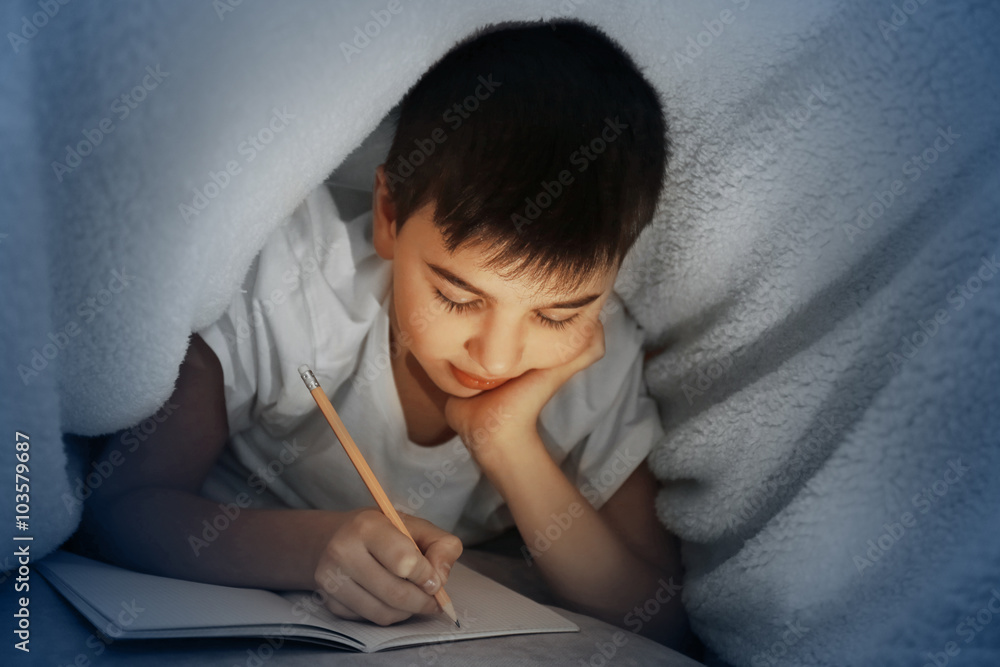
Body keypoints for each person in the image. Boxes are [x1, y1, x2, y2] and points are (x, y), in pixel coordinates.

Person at [77, 18, 688, 648]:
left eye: (557, 315)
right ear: (390, 216)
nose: (497, 356)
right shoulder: (290, 288)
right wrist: (314, 548)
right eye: (456, 295)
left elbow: (659, 619)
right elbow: (122, 506)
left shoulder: (600, 365)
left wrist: (506, 443)